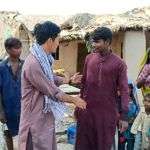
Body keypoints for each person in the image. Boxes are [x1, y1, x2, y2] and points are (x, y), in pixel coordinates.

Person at [18, 21, 86, 150]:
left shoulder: (43, 58)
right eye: (57, 40)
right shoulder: (33, 63)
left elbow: (49, 77)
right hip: (35, 117)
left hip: (43, 114)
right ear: (50, 40)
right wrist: (73, 99)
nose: (58, 43)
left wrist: (67, 80)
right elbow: (52, 92)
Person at [75, 27, 129, 150]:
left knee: (103, 145)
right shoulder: (89, 58)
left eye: (97, 42)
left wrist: (124, 116)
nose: (94, 45)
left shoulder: (119, 64)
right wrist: (78, 105)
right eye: (93, 41)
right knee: (83, 145)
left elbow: (125, 90)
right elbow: (84, 84)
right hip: (86, 113)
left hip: (106, 116)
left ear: (108, 42)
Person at [0, 37, 23, 150]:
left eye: (20, 47)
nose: (19, 50)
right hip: (8, 110)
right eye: (16, 48)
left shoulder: (26, 65)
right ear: (8, 50)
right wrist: (1, 111)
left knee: (24, 136)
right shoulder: (1, 67)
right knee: (9, 135)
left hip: (25, 109)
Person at [118, 81, 139, 150]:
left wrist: (133, 119)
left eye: (129, 88)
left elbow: (137, 113)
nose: (127, 90)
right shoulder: (119, 100)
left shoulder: (135, 101)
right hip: (122, 130)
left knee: (130, 147)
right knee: (121, 147)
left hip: (131, 130)